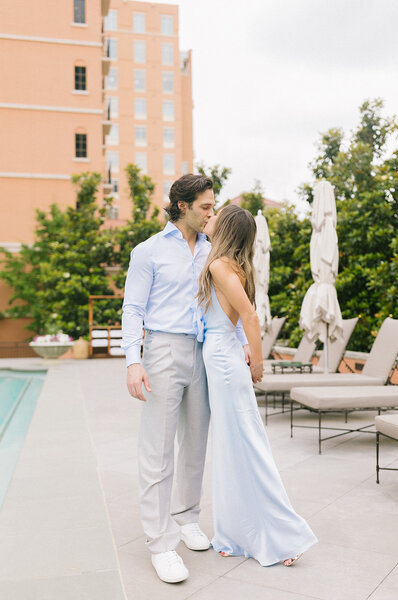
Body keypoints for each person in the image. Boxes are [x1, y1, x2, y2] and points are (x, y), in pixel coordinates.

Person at [121, 174, 249, 584]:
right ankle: (160, 542)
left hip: (204, 351)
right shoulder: (148, 252)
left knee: (195, 440)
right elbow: (132, 309)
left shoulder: (214, 251)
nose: (213, 213)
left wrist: (243, 340)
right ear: (182, 205)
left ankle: (187, 517)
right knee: (157, 448)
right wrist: (132, 360)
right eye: (206, 207)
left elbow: (228, 299)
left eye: (214, 206)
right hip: (162, 350)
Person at [198, 204, 318, 567]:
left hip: (224, 361)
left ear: (227, 228)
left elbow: (249, 315)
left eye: (215, 213)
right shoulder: (232, 267)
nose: (210, 216)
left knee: (247, 447)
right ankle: (237, 533)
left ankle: (285, 535)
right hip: (221, 359)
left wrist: (258, 360)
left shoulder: (220, 267)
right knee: (233, 449)